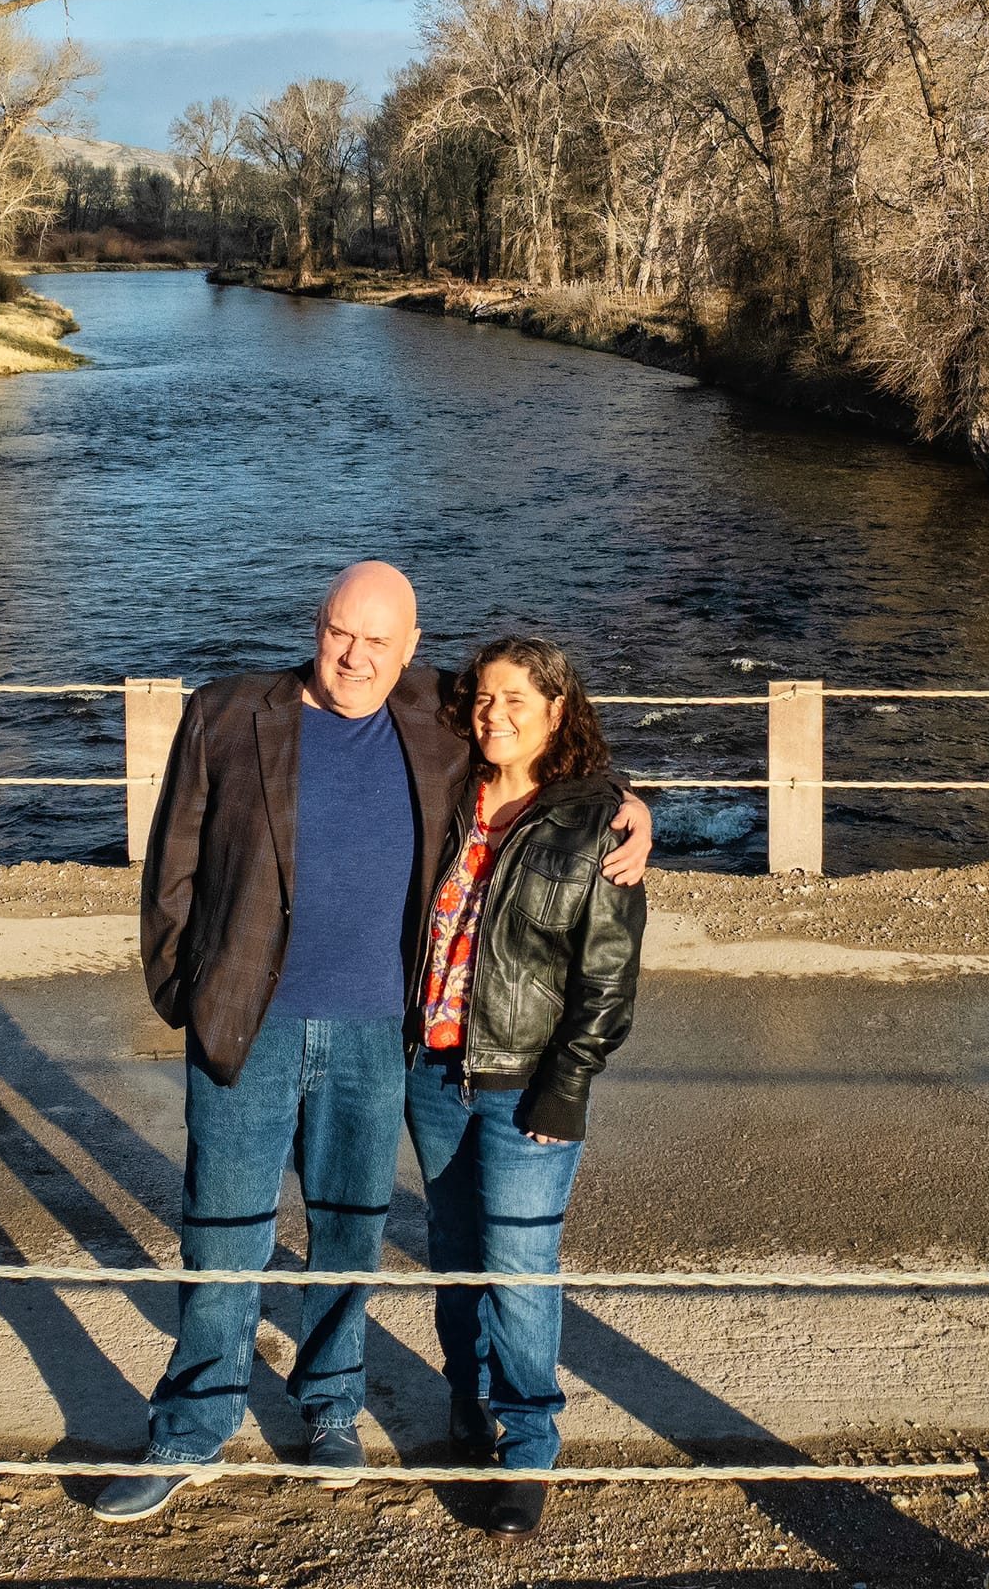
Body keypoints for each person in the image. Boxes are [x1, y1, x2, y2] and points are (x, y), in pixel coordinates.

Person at [93, 563, 651, 1523]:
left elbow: (544, 741)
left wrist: (631, 803)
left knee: (349, 1232)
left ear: (411, 649)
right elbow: (171, 867)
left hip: (377, 1033)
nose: (355, 657)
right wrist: (186, 993)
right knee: (222, 1230)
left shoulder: (437, 711)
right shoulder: (227, 711)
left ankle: (330, 1407)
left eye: (379, 642)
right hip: (249, 1025)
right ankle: (191, 1427)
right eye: (341, 633)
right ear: (317, 624)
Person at [405, 636, 647, 1538]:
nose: (494, 714)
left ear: (557, 710)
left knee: (518, 1268)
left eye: (517, 699)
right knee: (454, 1253)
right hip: (432, 1071)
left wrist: (567, 1086)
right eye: (483, 698)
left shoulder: (595, 823)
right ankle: (465, 1400)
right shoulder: (448, 794)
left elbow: (608, 979)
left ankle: (530, 1443)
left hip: (528, 1083)